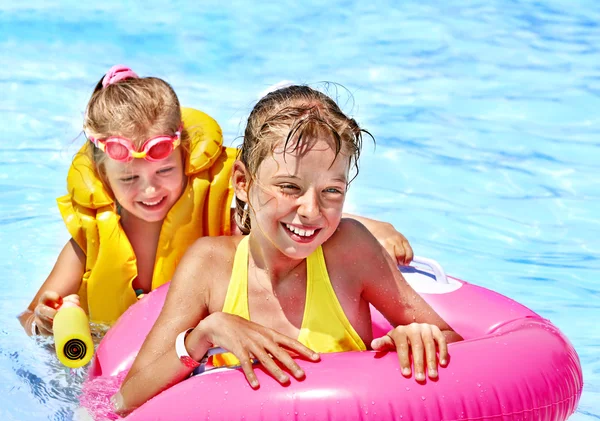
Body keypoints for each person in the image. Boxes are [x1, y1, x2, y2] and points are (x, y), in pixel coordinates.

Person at [113, 85, 462, 415]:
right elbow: (126, 400)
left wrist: (417, 337)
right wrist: (205, 334)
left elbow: (455, 343)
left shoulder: (350, 251)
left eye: (331, 191)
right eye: (289, 187)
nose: (311, 210)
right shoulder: (210, 265)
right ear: (242, 182)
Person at [18, 66, 414, 336]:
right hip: (117, 355)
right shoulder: (88, 242)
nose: (150, 190)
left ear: (184, 156)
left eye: (164, 172)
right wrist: (45, 320)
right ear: (104, 174)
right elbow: (28, 318)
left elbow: (290, 217)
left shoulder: (216, 212)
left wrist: (370, 229)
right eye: (129, 179)